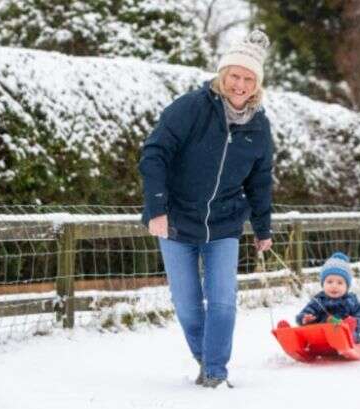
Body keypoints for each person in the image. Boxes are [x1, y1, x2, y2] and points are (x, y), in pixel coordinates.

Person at [139, 30, 274, 388]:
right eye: (234, 75)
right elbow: (154, 154)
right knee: (186, 303)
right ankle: (205, 358)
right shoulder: (191, 108)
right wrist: (156, 209)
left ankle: (215, 372)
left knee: (224, 302)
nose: (240, 84)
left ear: (256, 84)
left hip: (225, 225)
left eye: (248, 78)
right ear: (222, 75)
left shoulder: (259, 127)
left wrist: (263, 228)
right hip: (176, 221)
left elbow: (260, 181)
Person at [296, 252, 360, 343]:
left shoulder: (350, 300)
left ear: (347, 286)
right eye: (329, 282)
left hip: (345, 334)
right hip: (321, 336)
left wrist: (355, 322)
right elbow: (307, 311)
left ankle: (347, 338)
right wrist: (305, 318)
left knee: (351, 334)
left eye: (340, 283)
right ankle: (291, 336)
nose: (334, 286)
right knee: (309, 331)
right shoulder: (319, 300)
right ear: (323, 283)